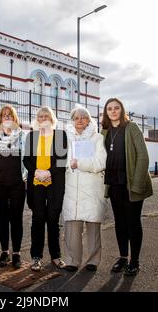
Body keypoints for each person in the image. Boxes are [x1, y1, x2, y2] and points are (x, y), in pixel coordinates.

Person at [101, 98, 153, 276]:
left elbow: (143, 157)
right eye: (110, 109)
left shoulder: (132, 128)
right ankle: (123, 257)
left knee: (133, 222)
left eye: (117, 108)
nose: (113, 111)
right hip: (114, 183)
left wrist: (137, 185)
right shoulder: (105, 132)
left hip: (131, 184)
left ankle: (134, 261)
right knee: (119, 222)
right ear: (106, 112)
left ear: (122, 110)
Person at [62, 106, 107, 272]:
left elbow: (101, 163)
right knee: (72, 227)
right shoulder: (65, 138)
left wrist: (79, 164)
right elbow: (60, 162)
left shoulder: (97, 138)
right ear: (72, 121)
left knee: (93, 226)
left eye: (84, 117)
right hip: (71, 186)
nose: (80, 121)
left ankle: (93, 260)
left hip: (91, 186)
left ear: (89, 120)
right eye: (76, 118)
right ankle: (72, 260)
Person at [23, 106, 68, 271]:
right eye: (40, 116)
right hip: (36, 183)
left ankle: (56, 256)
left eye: (46, 116)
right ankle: (36, 256)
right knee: (38, 219)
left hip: (55, 183)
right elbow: (26, 160)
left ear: (52, 118)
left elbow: (62, 161)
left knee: (53, 219)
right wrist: (36, 172)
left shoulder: (60, 135)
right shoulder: (32, 136)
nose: (43, 118)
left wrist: (48, 173)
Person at [0, 105, 27, 269]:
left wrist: (25, 176)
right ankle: (4, 252)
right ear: (0, 119)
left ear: (14, 118)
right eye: (4, 115)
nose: (6, 118)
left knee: (16, 219)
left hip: (17, 184)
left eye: (9, 115)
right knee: (2, 219)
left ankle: (16, 253)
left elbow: (28, 159)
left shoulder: (22, 137)